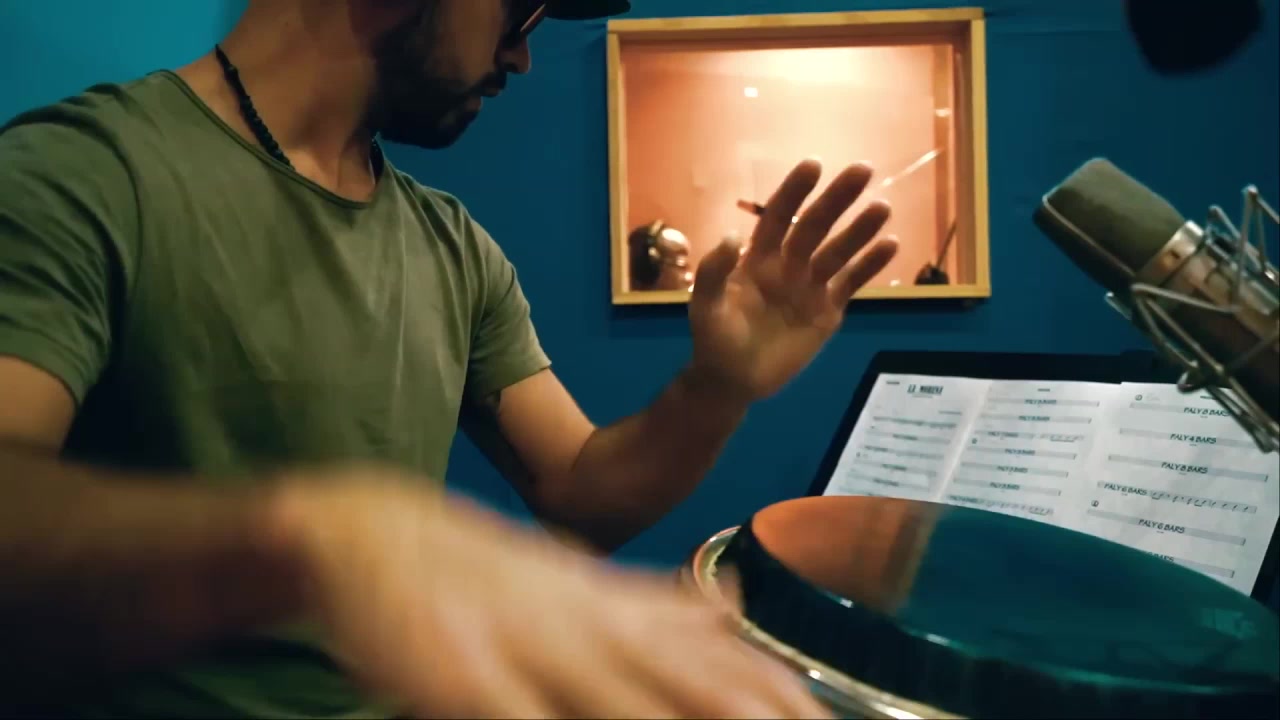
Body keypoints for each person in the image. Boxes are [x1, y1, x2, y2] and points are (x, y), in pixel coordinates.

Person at [0, 0, 899, 717]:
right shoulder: (82, 176)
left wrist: (718, 386)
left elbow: (583, 494)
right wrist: (318, 538)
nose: (522, 57)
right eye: (519, 11)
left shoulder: (453, 246)